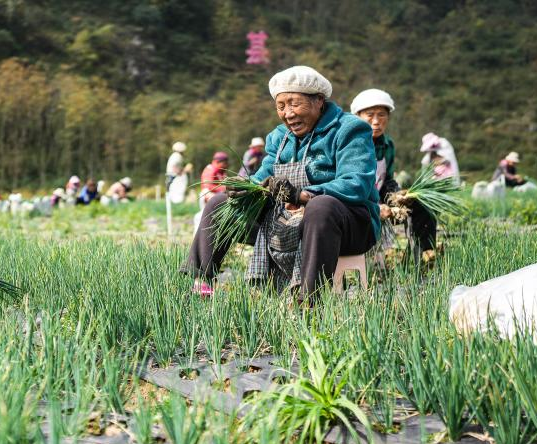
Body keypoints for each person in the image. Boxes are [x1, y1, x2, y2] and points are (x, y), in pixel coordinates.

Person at [184, 66, 379, 304]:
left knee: (321, 207)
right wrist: (245, 188)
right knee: (219, 203)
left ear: (319, 101)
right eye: (281, 106)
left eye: (294, 104)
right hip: (286, 224)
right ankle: (201, 284)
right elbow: (264, 175)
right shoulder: (279, 136)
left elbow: (357, 183)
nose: (288, 114)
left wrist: (305, 195)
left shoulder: (349, 129)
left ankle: (308, 301)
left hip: (348, 225)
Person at [351, 88, 437, 262]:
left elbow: (387, 180)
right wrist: (374, 205)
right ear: (357, 116)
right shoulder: (349, 142)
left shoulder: (387, 145)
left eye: (381, 115)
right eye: (370, 115)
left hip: (380, 201)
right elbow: (347, 183)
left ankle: (421, 256)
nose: (376, 121)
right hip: (354, 203)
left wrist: (396, 196)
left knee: (422, 206)